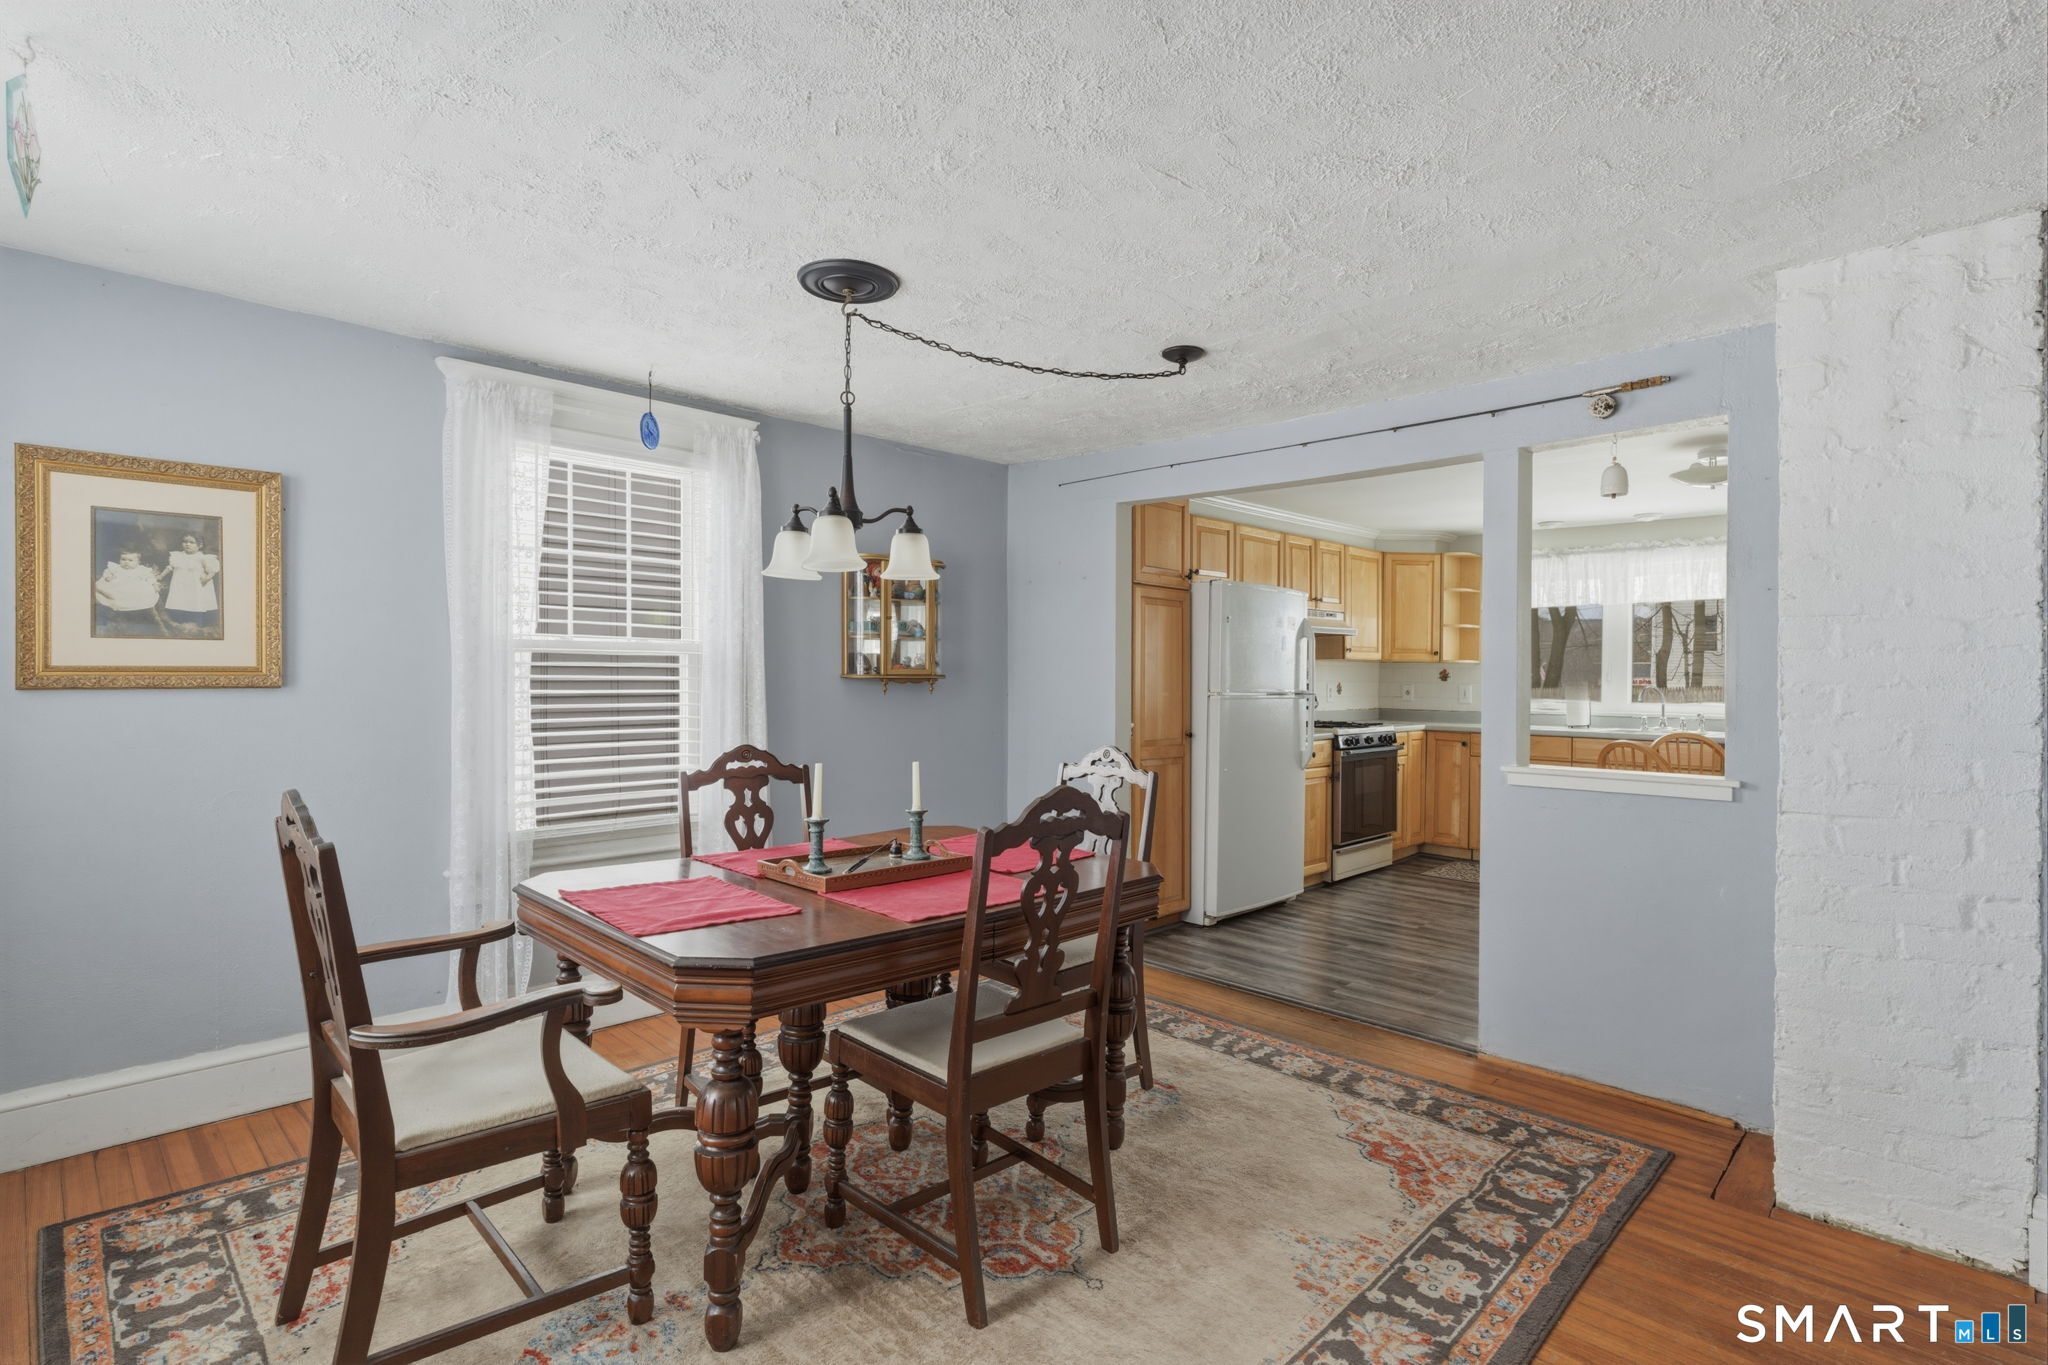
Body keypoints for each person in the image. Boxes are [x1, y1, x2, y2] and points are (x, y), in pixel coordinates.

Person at [94, 549, 163, 635]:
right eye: (123, 559)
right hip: (118, 586)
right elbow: (107, 573)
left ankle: (134, 605)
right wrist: (108, 577)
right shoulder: (116, 568)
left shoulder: (141, 570)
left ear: (138, 562)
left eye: (130, 560)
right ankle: (117, 603)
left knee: (143, 591)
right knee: (111, 592)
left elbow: (150, 578)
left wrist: (154, 584)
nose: (126, 562)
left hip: (135, 587)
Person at [161, 532, 220, 628]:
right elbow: (170, 568)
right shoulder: (177, 556)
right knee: (179, 602)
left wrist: (206, 578)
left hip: (195, 586)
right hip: (180, 585)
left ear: (200, 545)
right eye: (185, 542)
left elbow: (212, 570)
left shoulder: (202, 557)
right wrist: (160, 576)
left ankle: (196, 623)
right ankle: (178, 623)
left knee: (195, 602)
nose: (187, 544)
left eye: (192, 542)